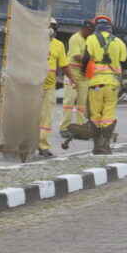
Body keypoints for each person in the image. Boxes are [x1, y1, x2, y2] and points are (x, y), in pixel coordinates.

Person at [82, 15, 127, 154]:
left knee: (95, 114)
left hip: (95, 83)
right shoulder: (119, 42)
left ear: (97, 27)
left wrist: (84, 74)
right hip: (112, 84)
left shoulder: (91, 39)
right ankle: (105, 145)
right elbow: (125, 62)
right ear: (110, 28)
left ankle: (97, 146)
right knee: (108, 114)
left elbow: (85, 59)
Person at [39, 18, 75, 158]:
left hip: (48, 87)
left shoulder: (58, 45)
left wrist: (73, 79)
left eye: (53, 27)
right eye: (48, 26)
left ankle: (43, 146)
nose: (50, 29)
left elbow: (64, 65)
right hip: (32, 86)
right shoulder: (33, 42)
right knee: (29, 116)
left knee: (46, 118)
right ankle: (25, 143)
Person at [60, 19, 95, 139]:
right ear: (84, 29)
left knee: (81, 103)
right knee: (69, 101)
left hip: (84, 75)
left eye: (91, 31)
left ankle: (80, 128)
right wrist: (91, 59)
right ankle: (64, 127)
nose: (90, 33)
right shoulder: (75, 38)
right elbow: (77, 56)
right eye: (88, 31)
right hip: (73, 73)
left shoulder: (89, 40)